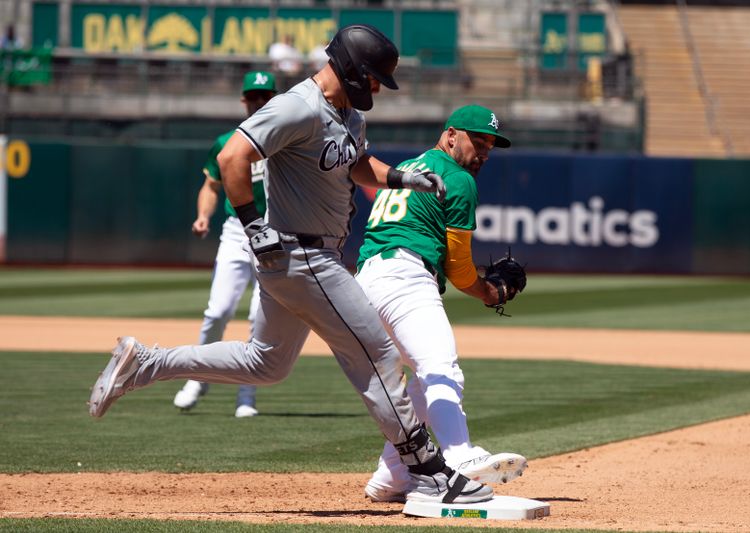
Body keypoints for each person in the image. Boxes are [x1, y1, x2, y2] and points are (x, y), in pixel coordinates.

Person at [89, 24, 497, 505]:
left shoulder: (346, 114)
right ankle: (429, 471)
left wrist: (399, 177)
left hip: (306, 254)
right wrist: (252, 224)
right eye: (372, 80)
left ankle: (146, 363)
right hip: (303, 254)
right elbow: (232, 156)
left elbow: (356, 163)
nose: (375, 91)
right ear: (350, 68)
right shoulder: (296, 105)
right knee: (378, 356)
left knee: (265, 364)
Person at [355, 104, 527, 502]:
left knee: (420, 379)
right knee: (441, 369)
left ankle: (392, 476)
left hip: (365, 282)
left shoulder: (410, 166)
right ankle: (460, 457)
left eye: (490, 145)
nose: (483, 151)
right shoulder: (459, 179)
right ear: (450, 135)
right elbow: (460, 268)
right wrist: (491, 292)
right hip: (405, 277)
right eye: (477, 140)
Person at [172, 71, 277, 418]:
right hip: (236, 230)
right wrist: (203, 215)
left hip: (275, 231)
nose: (258, 102)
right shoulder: (226, 142)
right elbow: (211, 186)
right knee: (217, 311)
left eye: (265, 96)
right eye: (253, 96)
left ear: (274, 98)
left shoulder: (287, 140)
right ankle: (198, 378)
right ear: (244, 101)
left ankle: (247, 395)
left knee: (258, 318)